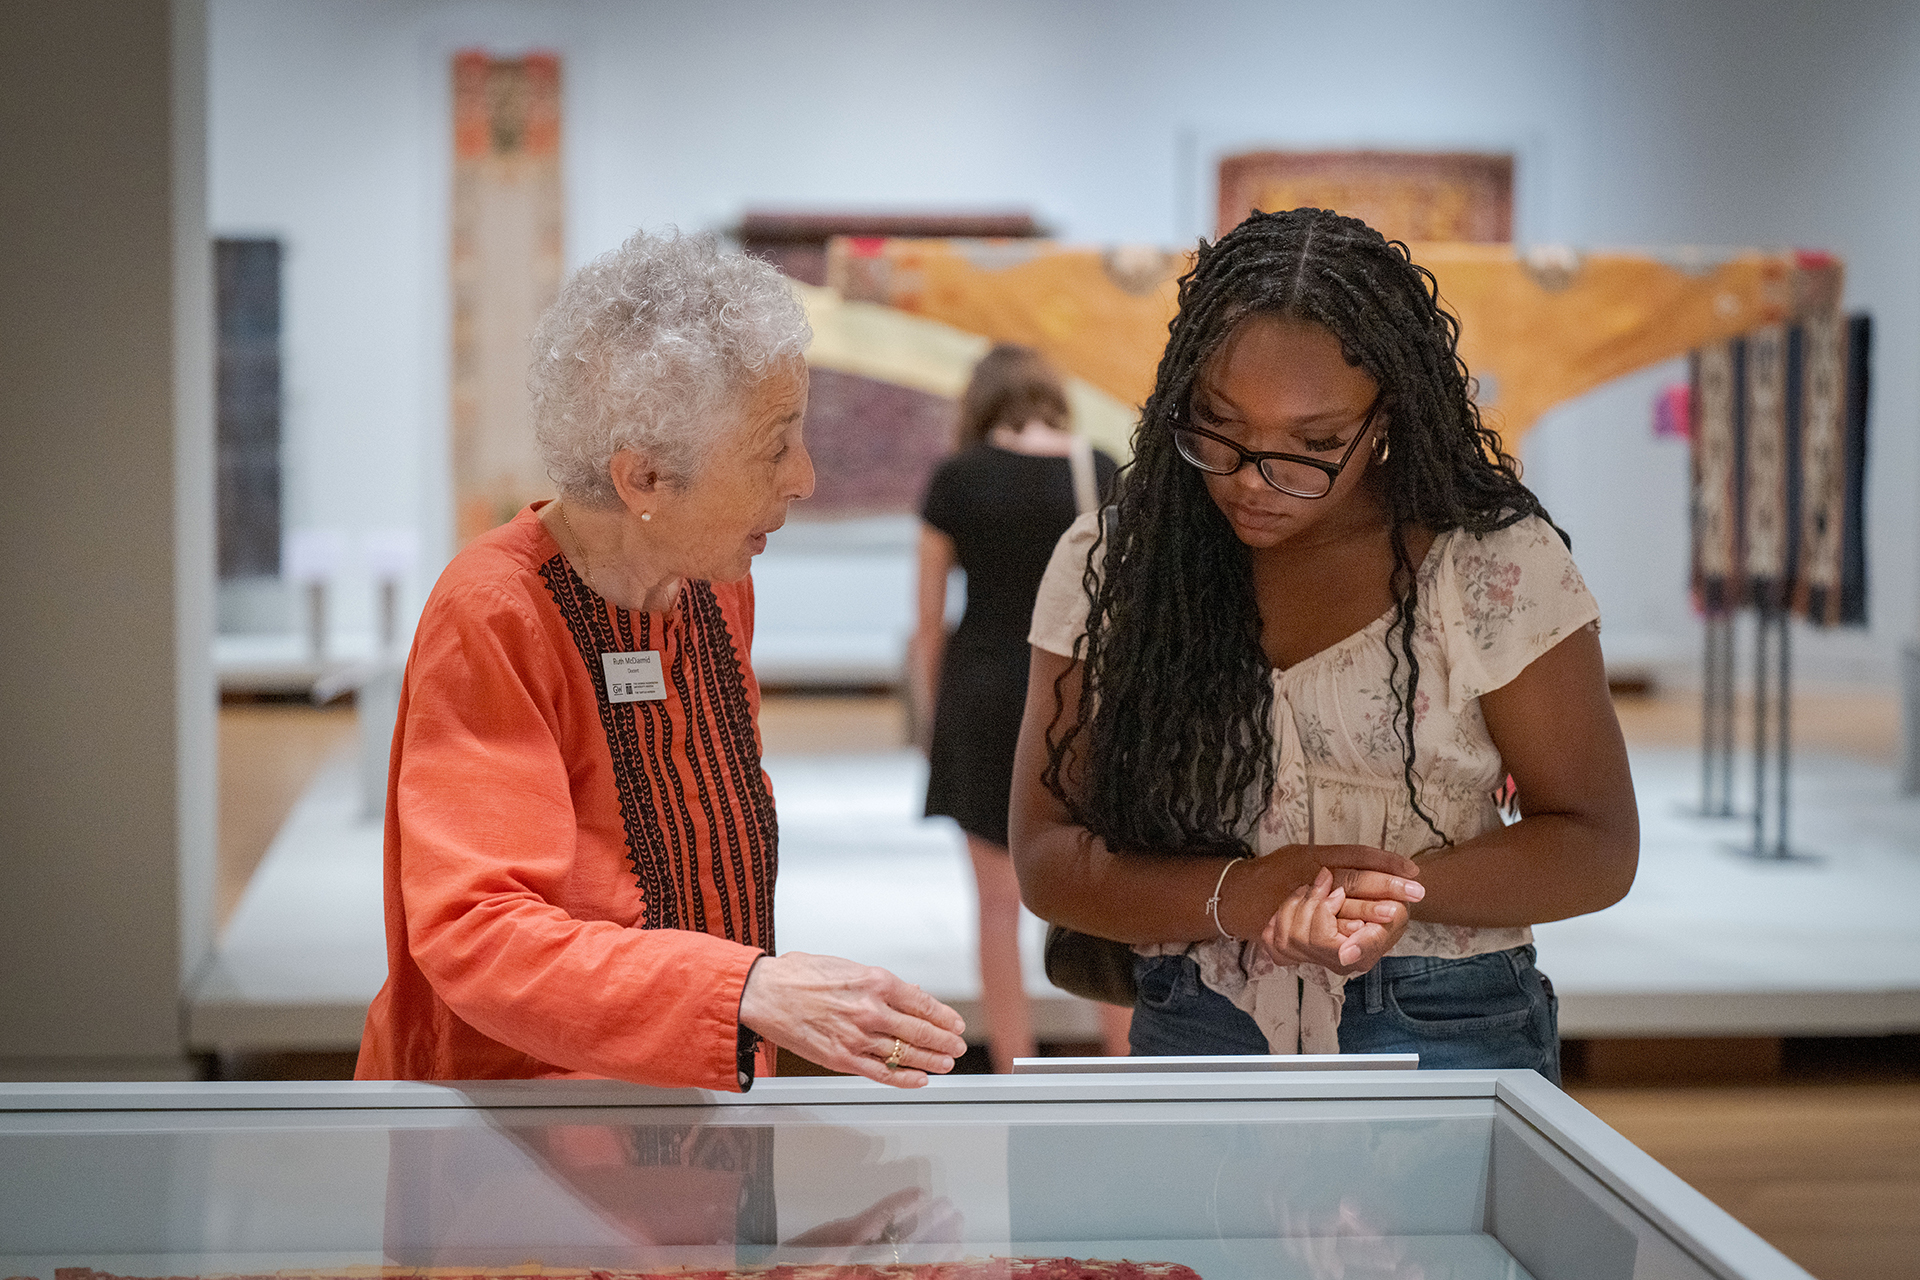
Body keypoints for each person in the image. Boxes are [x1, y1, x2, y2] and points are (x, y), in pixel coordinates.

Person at [1008, 208, 1639, 1081]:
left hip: (1447, 1016)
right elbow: (1046, 859)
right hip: (1197, 1016)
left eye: (1313, 446)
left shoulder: (1488, 568)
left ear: (1386, 421)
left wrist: (1379, 894)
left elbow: (1597, 842)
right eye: (1220, 427)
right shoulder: (1112, 565)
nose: (1251, 481)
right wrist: (1242, 895)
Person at [357, 229, 968, 1091]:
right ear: (642, 480)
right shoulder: (494, 615)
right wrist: (746, 985)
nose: (806, 476)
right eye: (774, 444)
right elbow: (479, 932)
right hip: (513, 1150)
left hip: (692, 1116)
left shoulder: (714, 586)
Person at [912, 345, 1130, 1071]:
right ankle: (1125, 1060)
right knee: (1096, 893)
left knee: (998, 905)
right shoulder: (1097, 468)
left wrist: (927, 716)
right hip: (1075, 695)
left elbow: (927, 617)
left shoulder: (956, 479)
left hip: (980, 692)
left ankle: (1010, 1068)